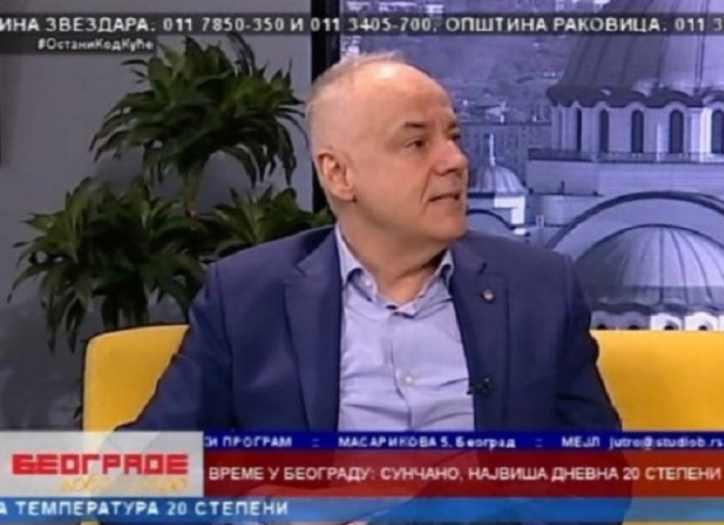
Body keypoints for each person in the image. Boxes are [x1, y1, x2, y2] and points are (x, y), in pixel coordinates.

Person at [124, 51, 626, 522]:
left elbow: (603, 483)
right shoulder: (246, 296)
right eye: (417, 143)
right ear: (339, 174)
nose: (455, 161)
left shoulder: (539, 288)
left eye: (453, 137)